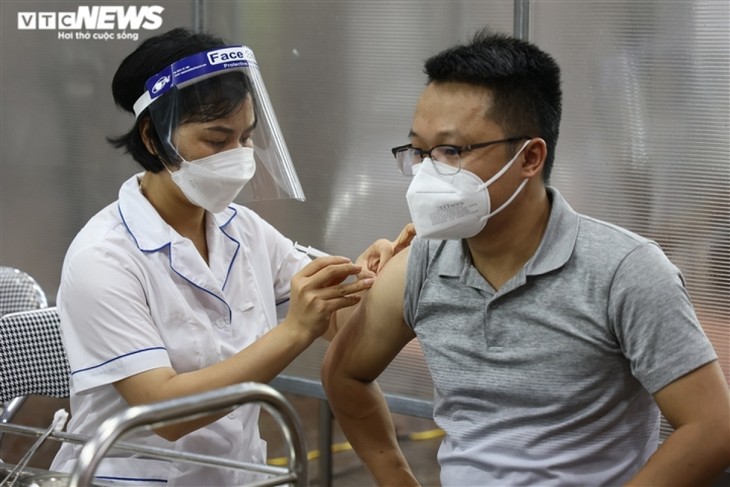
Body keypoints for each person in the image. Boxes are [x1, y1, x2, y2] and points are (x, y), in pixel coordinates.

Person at [322, 29, 730, 486]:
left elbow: (711, 426)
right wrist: (395, 478)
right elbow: (344, 374)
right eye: (419, 151)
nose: (426, 172)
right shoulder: (420, 267)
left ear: (530, 157)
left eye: (452, 151)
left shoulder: (624, 272)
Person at [50, 27, 412, 485]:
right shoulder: (103, 258)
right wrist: (295, 330)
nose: (239, 157)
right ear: (153, 135)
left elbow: (340, 314)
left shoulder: (238, 227)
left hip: (241, 475)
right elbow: (164, 412)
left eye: (245, 139)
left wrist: (389, 274)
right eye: (216, 140)